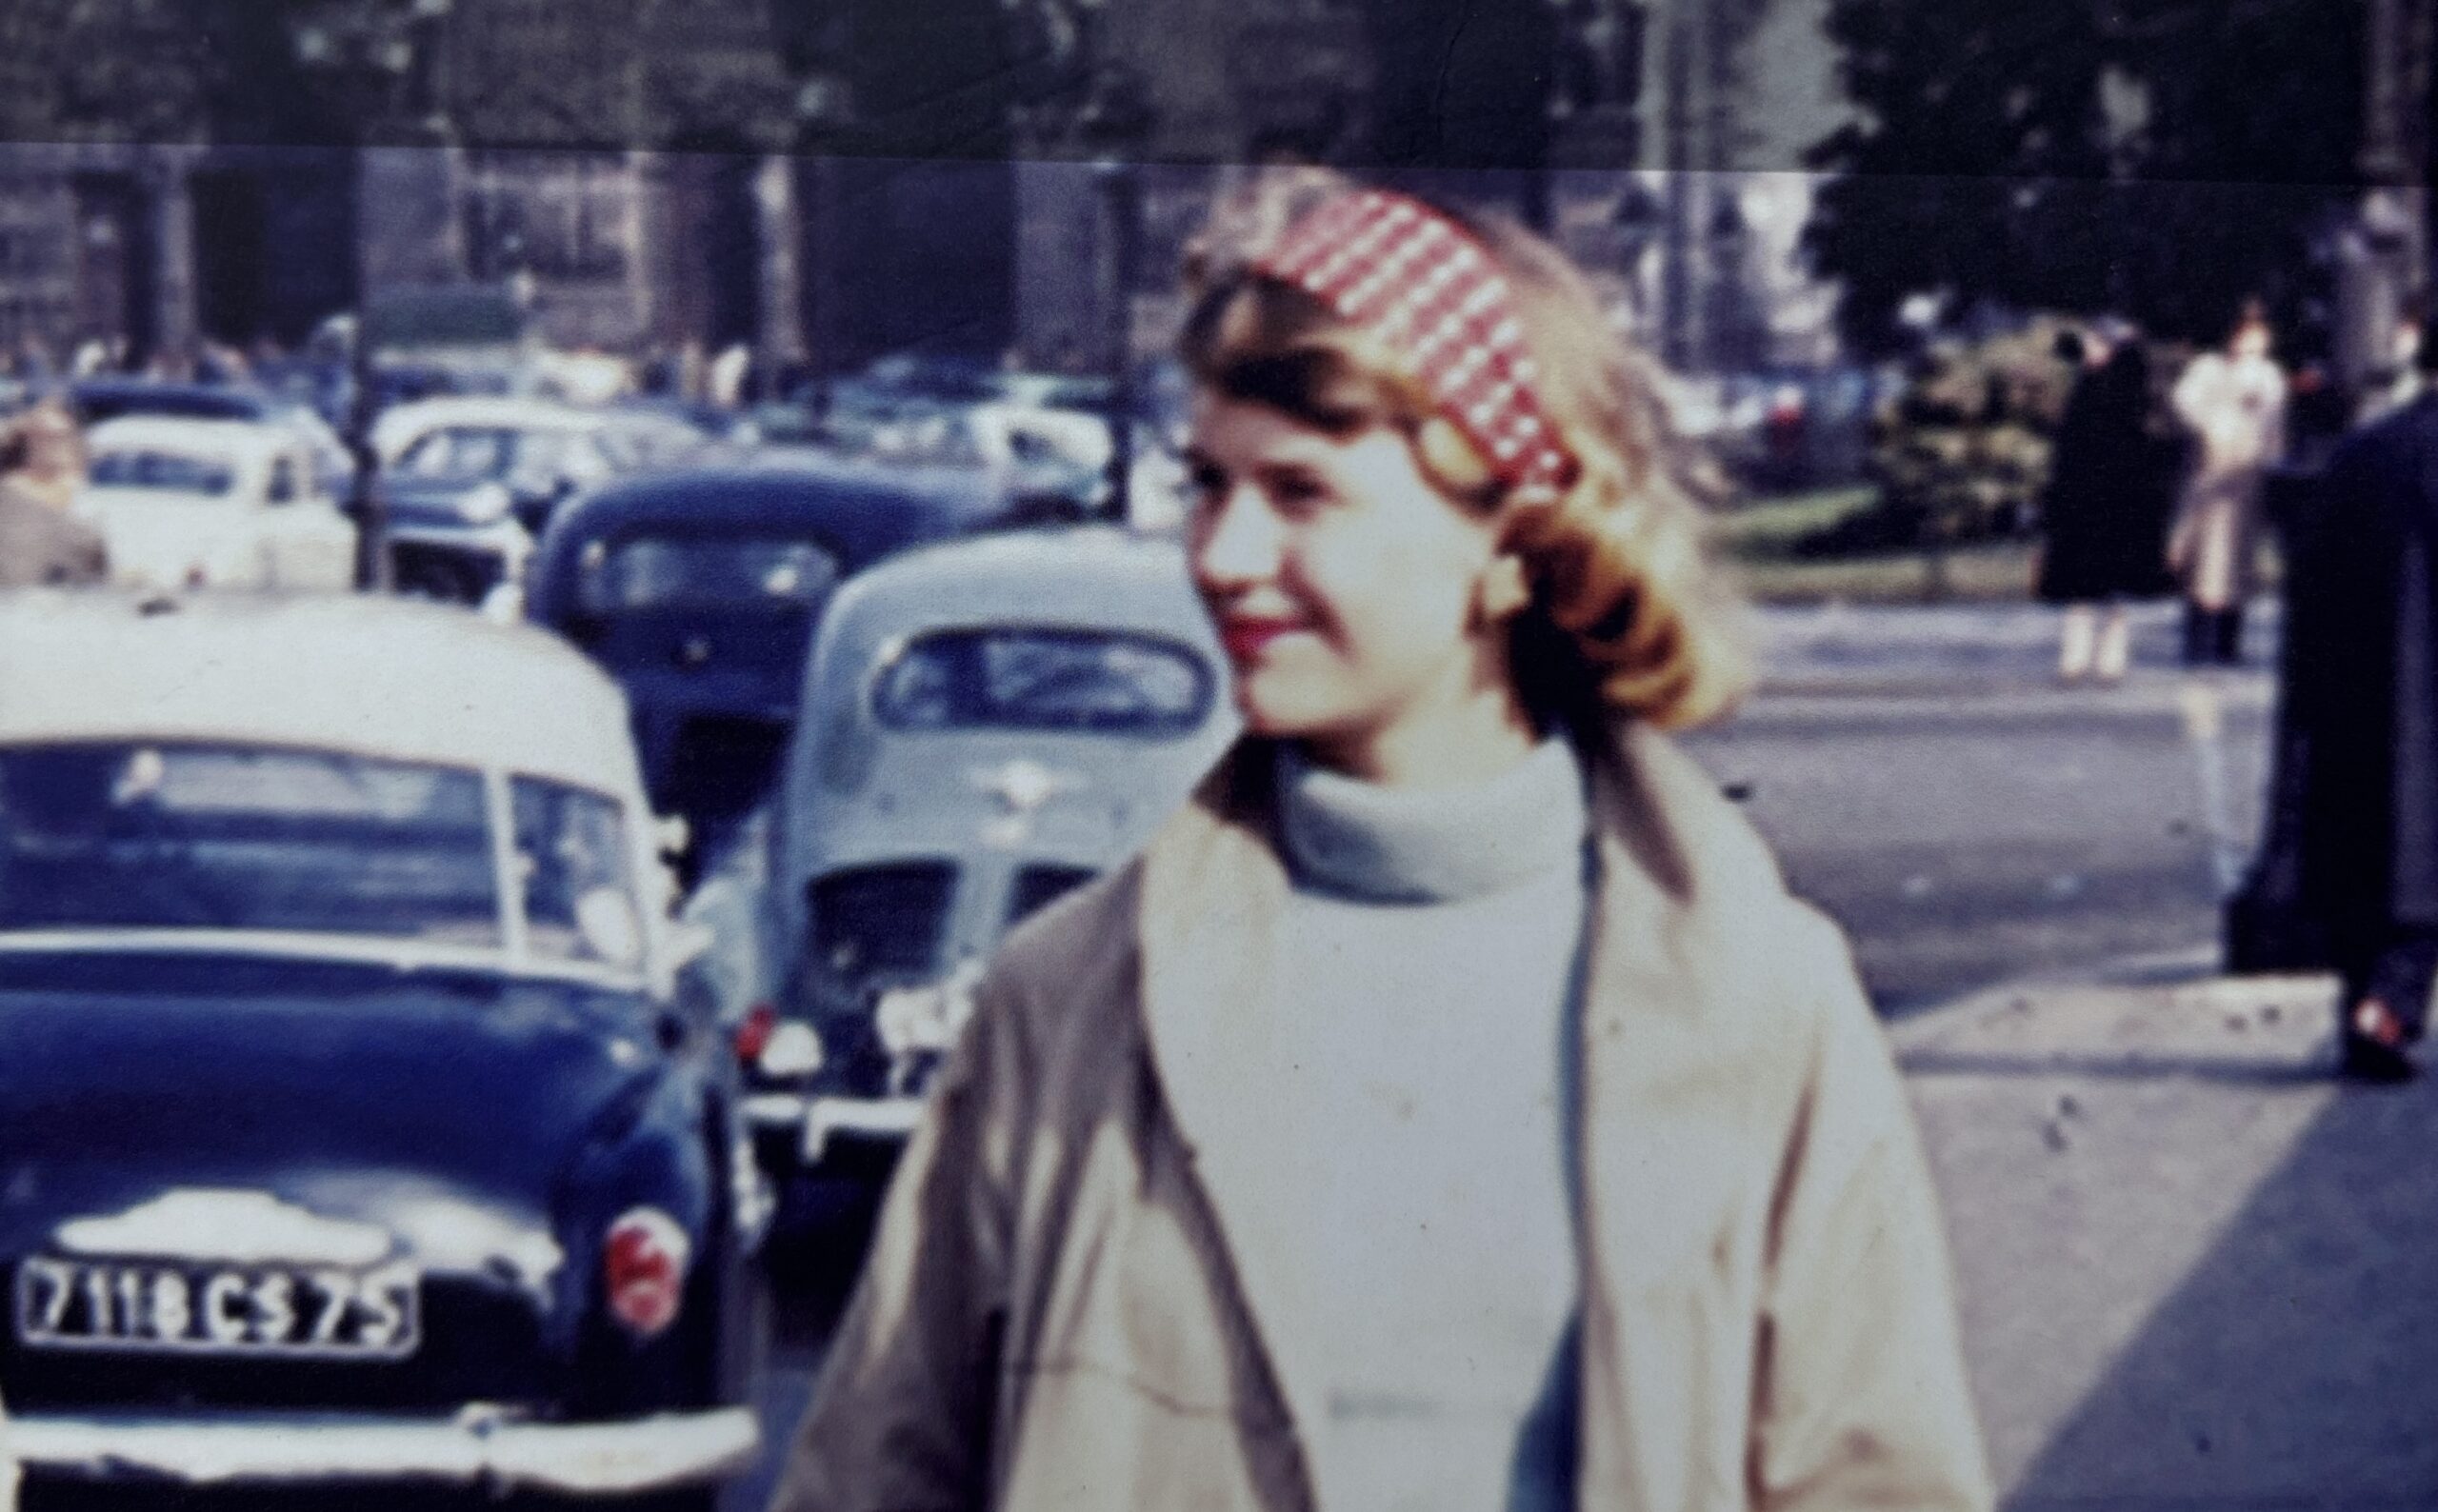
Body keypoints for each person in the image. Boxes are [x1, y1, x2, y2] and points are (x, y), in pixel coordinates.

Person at [770, 186, 1990, 1512]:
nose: (1226, 556)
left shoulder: (1766, 1006)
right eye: (1210, 487)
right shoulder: (1062, 1001)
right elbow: (871, 1482)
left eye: (1302, 492)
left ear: (1510, 542)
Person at [2275, 316, 2438, 1081]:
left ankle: (2367, 1013)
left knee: (2372, 864)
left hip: (2365, 699)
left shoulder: (2364, 453)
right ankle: (2390, 1006)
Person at [2038, 323, 2180, 684]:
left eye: (2098, 343)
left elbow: (2153, 439)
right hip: (2083, 503)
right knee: (2080, 589)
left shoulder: (2130, 390)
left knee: (2114, 591)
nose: (2090, 350)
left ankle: (2110, 659)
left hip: (2119, 503)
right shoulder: (2084, 389)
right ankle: (2076, 658)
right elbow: (2067, 451)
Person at [2168, 302, 2288, 666]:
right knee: (2203, 564)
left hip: (2245, 481)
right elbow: (2184, 404)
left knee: (2237, 565)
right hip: (2211, 477)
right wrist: (2213, 420)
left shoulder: (2268, 376)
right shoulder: (2208, 369)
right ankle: (2199, 639)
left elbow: (2273, 423)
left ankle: (2227, 642)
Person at [0, 401, 103, 588]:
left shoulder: (88, 495)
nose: (52, 446)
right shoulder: (12, 494)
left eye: (61, 436)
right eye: (43, 437)